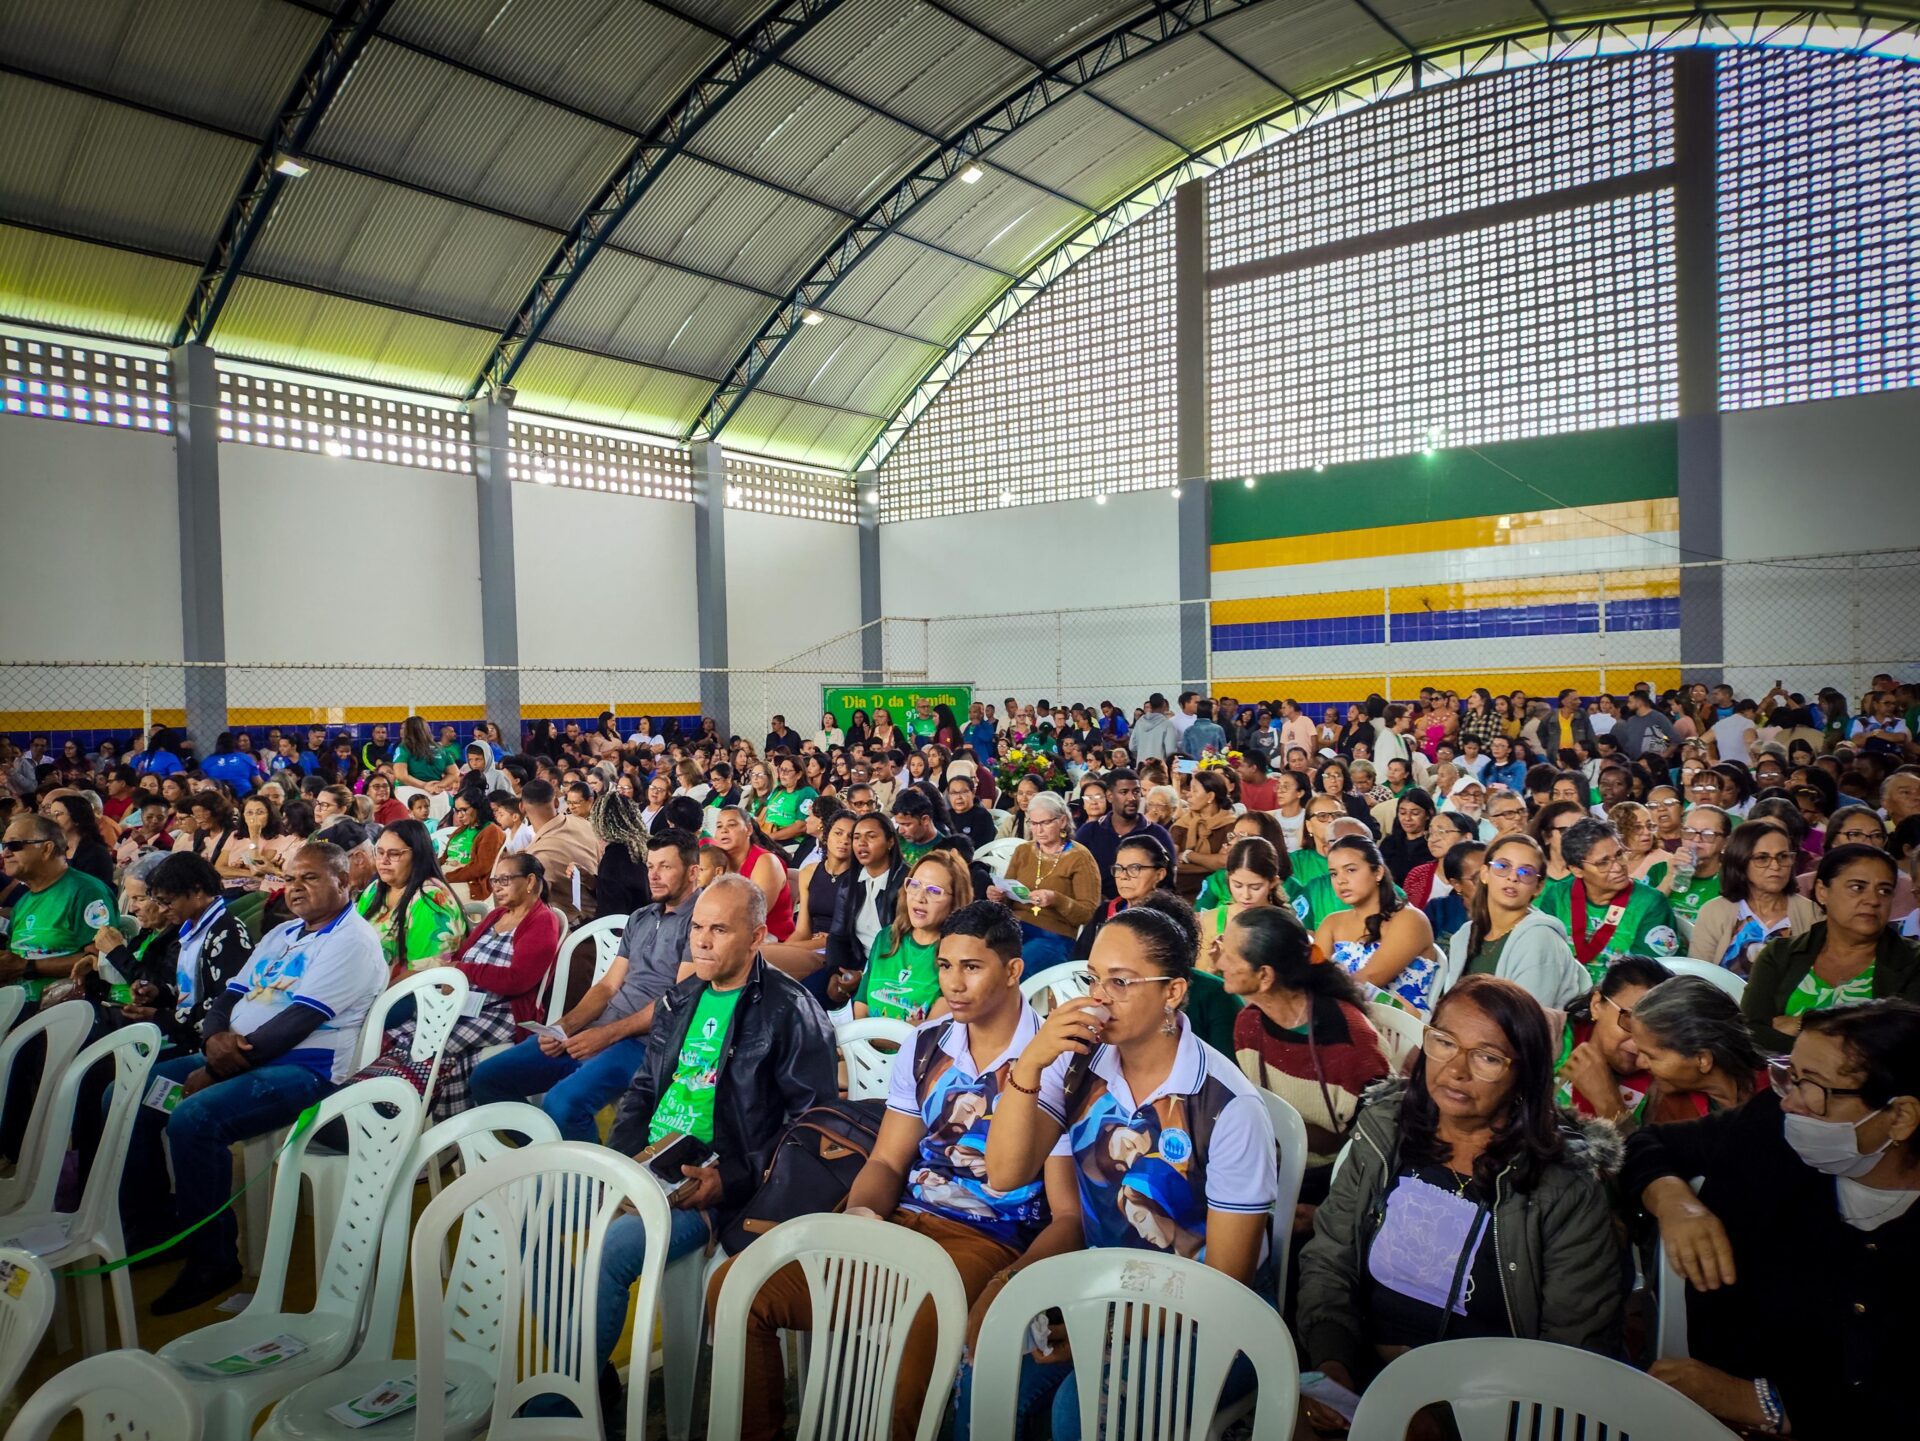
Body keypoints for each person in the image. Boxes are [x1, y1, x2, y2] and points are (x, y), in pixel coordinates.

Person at [723, 899, 1083, 1441]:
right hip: (904, 1221)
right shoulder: (927, 1043)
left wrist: (1010, 1282)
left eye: (971, 967)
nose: (953, 983)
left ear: (1013, 970)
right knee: (739, 1287)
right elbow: (888, 1159)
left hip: (989, 1240)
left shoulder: (1054, 1061)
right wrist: (862, 1215)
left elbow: (1068, 1216)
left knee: (904, 1364)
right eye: (945, 966)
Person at [981, 906, 1277, 1436]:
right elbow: (1004, 1173)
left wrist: (1105, 1328)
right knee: (992, 1375)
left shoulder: (1225, 1105)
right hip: (1105, 1292)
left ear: (1173, 992)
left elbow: (1226, 1281)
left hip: (1211, 1317)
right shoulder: (1078, 1064)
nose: (1099, 998)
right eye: (1093, 978)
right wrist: (1030, 1063)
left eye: (1120, 982)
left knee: (1081, 1410)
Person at [1296, 975, 1622, 1412]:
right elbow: (1330, 1258)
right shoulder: (1385, 1132)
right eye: (1445, 1042)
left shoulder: (1563, 1188)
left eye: (1487, 1057)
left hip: (1491, 1406)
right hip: (1362, 1374)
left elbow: (1573, 1347)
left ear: (1525, 1073)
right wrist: (1332, 1361)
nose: (1456, 1070)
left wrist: (1457, 1418)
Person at [583, 876, 838, 1412]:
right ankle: (594, 1379)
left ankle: (569, 1407)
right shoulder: (681, 999)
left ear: (756, 937)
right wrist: (621, 1162)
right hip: (653, 1162)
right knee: (539, 1230)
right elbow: (644, 1090)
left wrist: (731, 1180)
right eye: (697, 927)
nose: (700, 940)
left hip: (716, 1182)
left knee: (608, 1252)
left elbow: (810, 1127)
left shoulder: (790, 1010)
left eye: (719, 929)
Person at [1624, 1000, 1920, 1439]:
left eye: (1814, 1088)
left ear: (1900, 1117)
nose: (1790, 1102)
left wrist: (1761, 1401)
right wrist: (1674, 1201)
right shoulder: (1773, 1129)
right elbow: (1649, 1144)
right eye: (1790, 1076)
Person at [125, 840, 385, 1312]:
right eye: (291, 879)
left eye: (310, 878)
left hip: (304, 1072)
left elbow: (299, 1022)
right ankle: (162, 1225)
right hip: (239, 1055)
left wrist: (214, 1069)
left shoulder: (352, 942)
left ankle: (214, 1259)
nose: (296, 888)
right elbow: (228, 996)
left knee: (194, 1120)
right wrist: (212, 1039)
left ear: (344, 881)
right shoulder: (282, 934)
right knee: (131, 1095)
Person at [471, 830, 702, 1140]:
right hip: (602, 1026)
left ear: (693, 872)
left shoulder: (700, 923)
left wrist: (607, 1035)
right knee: (487, 1078)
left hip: (646, 1042)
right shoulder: (641, 917)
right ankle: (546, 1155)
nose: (654, 875)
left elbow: (675, 1004)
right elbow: (608, 986)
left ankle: (583, 1170)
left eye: (666, 866)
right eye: (650, 866)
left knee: (562, 1104)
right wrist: (565, 1027)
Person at [354, 850, 558, 1120]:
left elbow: (518, 980)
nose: (497, 888)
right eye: (495, 881)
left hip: (502, 1011)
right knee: (401, 1033)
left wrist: (463, 971)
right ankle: (371, 1096)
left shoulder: (542, 921)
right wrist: (452, 977)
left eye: (504, 880)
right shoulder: (497, 915)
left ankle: (396, 1111)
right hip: (464, 1000)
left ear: (530, 881)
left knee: (432, 1045)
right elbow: (462, 954)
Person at [1222, 906, 1389, 1202]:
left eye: (1230, 957)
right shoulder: (1248, 1024)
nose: (1220, 962)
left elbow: (1375, 1144)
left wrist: (1320, 1213)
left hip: (1334, 1181)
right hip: (1269, 1165)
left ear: (1264, 976)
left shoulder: (1349, 1041)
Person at [1744, 844, 1920, 1051]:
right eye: (1857, 887)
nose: (1873, 900)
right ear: (1822, 892)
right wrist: (1853, 1039)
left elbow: (1901, 1044)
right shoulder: (1779, 954)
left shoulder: (1913, 962)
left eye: (1884, 891)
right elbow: (1750, 1033)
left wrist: (1805, 1023)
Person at [117, 852, 254, 1055]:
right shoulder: (193, 928)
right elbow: (189, 990)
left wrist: (160, 1017)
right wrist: (158, 992)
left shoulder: (226, 933)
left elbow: (226, 1004)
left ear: (196, 891)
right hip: (186, 1035)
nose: (162, 910)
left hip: (211, 1045)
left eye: (167, 901)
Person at [1436, 833, 1586, 1009]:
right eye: (1503, 866)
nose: (1513, 877)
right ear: (1484, 874)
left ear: (1538, 887)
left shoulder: (1540, 938)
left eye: (1526, 872)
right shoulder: (1465, 934)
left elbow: (1527, 1019)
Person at [1537, 818, 1681, 980]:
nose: (1618, 867)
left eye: (1619, 855)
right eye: (1603, 863)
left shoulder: (1651, 903)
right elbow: (1543, 954)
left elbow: (1645, 976)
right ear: (1577, 870)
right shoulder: (1557, 896)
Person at [0, 812, 118, 1007]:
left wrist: (28, 967)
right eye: (4, 845)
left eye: (14, 845)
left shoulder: (86, 892)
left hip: (63, 1013)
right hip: (14, 1006)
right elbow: (12, 961)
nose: (5, 853)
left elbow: (102, 958)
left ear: (47, 849)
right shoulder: (24, 902)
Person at [1314, 834, 1439, 1014]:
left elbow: (1371, 978)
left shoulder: (1411, 919)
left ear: (1378, 872)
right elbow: (1315, 976)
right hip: (1342, 1015)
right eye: (1334, 873)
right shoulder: (1331, 923)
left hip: (1398, 1025)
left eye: (1350, 870)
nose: (1341, 880)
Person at [844, 849, 972, 1022]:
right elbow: (861, 1006)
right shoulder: (886, 937)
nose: (920, 897)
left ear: (955, 900)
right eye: (915, 885)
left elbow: (931, 1029)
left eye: (934, 891)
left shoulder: (957, 955)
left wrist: (872, 1035)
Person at [1688, 819, 1821, 973]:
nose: (1775, 866)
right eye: (1762, 858)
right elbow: (1697, 976)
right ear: (1740, 861)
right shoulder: (1713, 912)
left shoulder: (1813, 915)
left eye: (1783, 856)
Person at [1625, 976, 1767, 1120]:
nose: (1639, 1063)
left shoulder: (1776, 1092)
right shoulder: (1671, 1108)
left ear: (1702, 1060)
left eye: (1651, 1056)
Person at [1554, 955, 1671, 1123]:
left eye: (1657, 1032)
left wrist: (1608, 1102)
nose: (1637, 1045)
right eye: (1629, 1020)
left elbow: (1643, 1142)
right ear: (1596, 1005)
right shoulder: (1553, 1037)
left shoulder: (1662, 1084)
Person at [990, 790, 1098, 969]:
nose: (1038, 830)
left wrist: (1056, 899)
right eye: (1033, 823)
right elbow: (1008, 897)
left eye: (1045, 823)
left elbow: (1088, 913)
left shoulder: (1080, 857)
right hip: (1014, 927)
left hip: (1055, 935)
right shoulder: (1023, 851)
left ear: (1062, 821)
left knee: (1013, 968)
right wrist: (1000, 896)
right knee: (983, 957)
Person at [355, 819, 467, 982]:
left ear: (417, 856)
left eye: (394, 854)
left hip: (404, 991)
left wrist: (373, 995)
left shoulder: (430, 901)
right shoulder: (375, 889)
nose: (383, 860)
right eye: (379, 852)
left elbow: (422, 974)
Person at [762, 809, 854, 996]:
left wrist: (781, 949)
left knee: (759, 958)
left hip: (833, 951)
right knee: (758, 955)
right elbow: (802, 930)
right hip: (810, 943)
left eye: (851, 836)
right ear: (826, 836)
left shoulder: (858, 878)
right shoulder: (809, 872)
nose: (844, 840)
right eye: (838, 833)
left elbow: (838, 939)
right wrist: (783, 948)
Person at [1074, 768, 1174, 900]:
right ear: (1110, 796)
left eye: (1136, 792)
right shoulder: (1089, 831)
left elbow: (1169, 882)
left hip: (1145, 906)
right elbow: (1073, 871)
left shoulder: (1157, 833)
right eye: (1124, 792)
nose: (1131, 798)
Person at [709, 805, 794, 943]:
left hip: (768, 938)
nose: (724, 830)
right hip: (728, 932)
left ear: (748, 829)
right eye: (719, 826)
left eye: (732, 825)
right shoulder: (716, 862)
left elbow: (755, 913)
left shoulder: (767, 861)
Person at [522, 778, 601, 922]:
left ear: (521, 807)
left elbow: (532, 910)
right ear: (557, 802)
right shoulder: (583, 823)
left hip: (579, 927)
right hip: (605, 910)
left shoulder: (538, 856)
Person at [1170, 768, 1236, 899]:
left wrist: (1188, 855)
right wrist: (1210, 864)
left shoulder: (1231, 825)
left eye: (1194, 790)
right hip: (1180, 891)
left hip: (1217, 892)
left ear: (1210, 796)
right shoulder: (1181, 825)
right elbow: (1172, 863)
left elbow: (1226, 863)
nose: (1189, 795)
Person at [588, 791, 653, 920]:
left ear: (599, 823)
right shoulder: (643, 846)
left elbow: (611, 912)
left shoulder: (614, 858)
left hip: (627, 927)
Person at [438, 791, 505, 903]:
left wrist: (447, 877)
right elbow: (444, 858)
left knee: (432, 895)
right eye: (457, 811)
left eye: (464, 810)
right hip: (447, 873)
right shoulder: (462, 829)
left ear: (478, 807)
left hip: (470, 882)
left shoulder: (492, 831)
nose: (459, 815)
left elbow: (480, 868)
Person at [46, 792, 115, 888]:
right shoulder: (57, 849)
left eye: (58, 814)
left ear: (76, 818)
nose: (52, 819)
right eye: (51, 815)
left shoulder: (96, 853)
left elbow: (92, 888)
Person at [391, 715, 446, 793]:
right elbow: (454, 773)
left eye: (404, 728)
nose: (401, 731)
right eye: (401, 728)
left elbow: (401, 775)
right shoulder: (440, 748)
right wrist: (438, 786)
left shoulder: (403, 748)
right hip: (436, 792)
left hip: (408, 792)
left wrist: (425, 786)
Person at [944, 772, 997, 850]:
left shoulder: (982, 816)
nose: (958, 797)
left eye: (963, 792)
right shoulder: (946, 816)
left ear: (973, 792)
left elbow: (980, 847)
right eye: (954, 793)